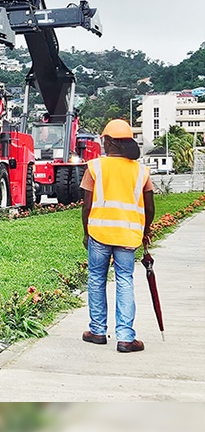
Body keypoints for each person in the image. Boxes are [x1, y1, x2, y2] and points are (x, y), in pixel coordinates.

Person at [79, 119, 154, 353]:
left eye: (104, 140)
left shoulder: (95, 167)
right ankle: (126, 338)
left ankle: (97, 331)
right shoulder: (141, 171)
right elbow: (150, 208)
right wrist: (145, 231)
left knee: (96, 279)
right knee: (124, 280)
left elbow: (86, 206)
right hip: (128, 236)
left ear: (110, 142)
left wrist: (86, 233)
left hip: (99, 234)